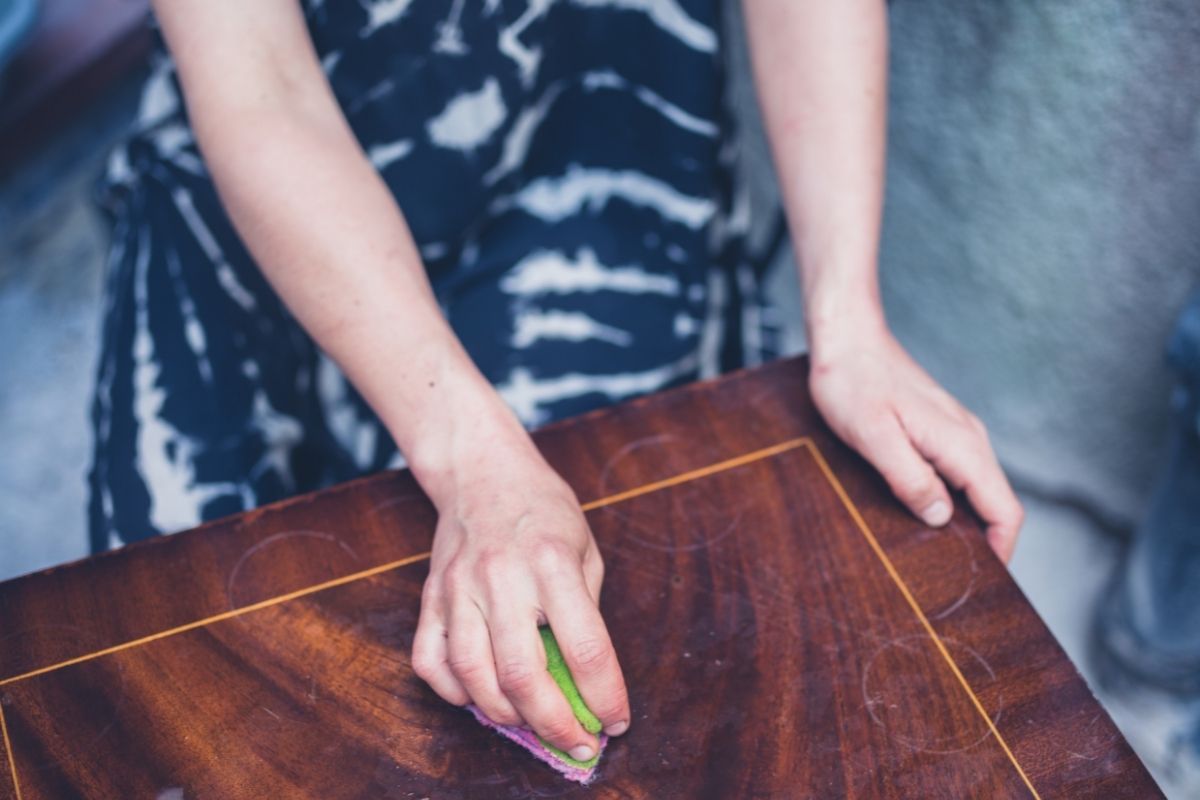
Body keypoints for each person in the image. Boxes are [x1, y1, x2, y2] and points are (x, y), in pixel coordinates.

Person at [89, 0, 1023, 767]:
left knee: (657, 603)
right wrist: (470, 461)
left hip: (606, 121)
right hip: (276, 160)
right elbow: (257, 83)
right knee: (197, 685)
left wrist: (848, 319)